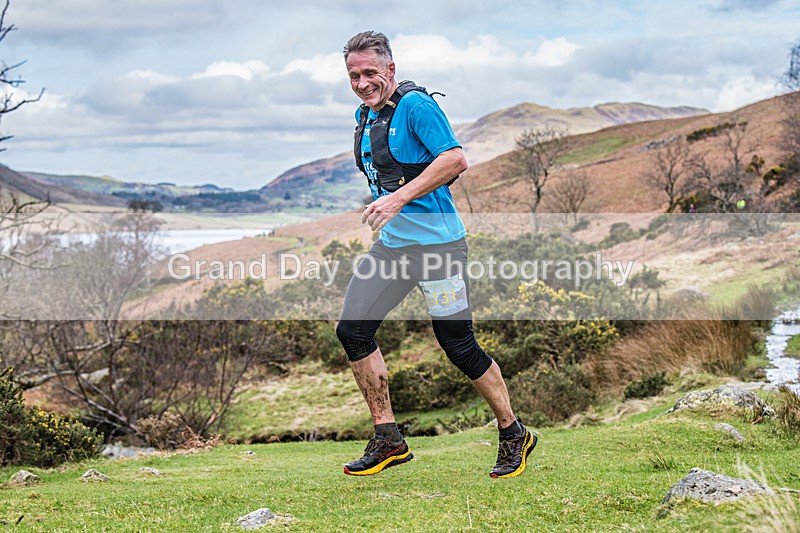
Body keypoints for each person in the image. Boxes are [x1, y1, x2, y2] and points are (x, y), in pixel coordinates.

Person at [336, 30, 536, 478]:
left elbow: (455, 159)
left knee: (458, 345)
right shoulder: (365, 115)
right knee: (352, 331)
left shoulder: (417, 106)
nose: (363, 82)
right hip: (394, 248)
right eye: (354, 75)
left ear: (390, 69)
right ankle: (388, 438)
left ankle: (513, 432)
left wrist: (397, 199)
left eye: (371, 72)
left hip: (439, 250)